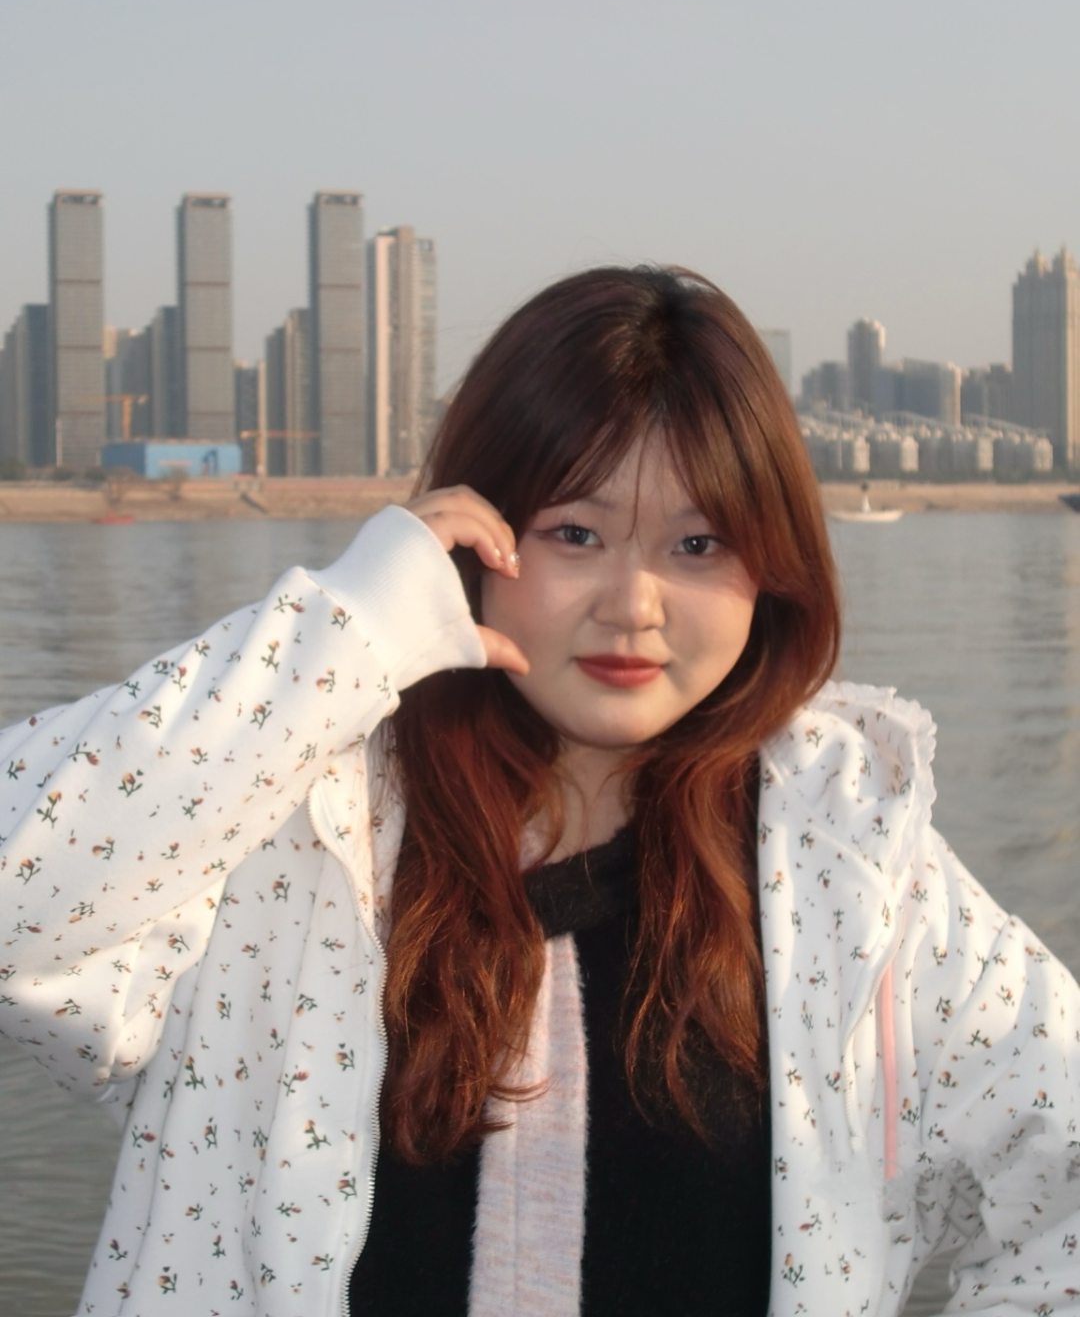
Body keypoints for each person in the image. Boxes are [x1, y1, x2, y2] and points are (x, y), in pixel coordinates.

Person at [1, 266, 1078, 1317]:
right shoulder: (292, 823)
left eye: (697, 543)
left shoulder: (851, 862)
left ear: (770, 568)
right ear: (469, 536)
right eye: (575, 534)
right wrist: (344, 633)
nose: (633, 605)